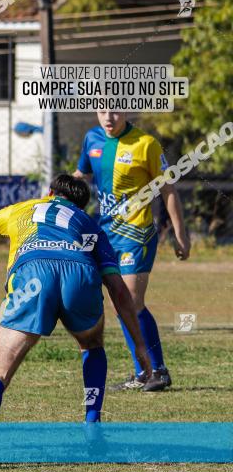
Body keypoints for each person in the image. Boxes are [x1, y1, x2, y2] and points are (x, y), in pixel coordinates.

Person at [0, 174, 150, 463]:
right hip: (79, 271)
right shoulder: (89, 223)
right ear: (81, 204)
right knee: (91, 345)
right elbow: (118, 288)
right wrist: (140, 346)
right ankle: (92, 425)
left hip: (32, 273)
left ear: (50, 192)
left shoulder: (22, 208)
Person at [74, 111, 190, 391]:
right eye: (102, 111)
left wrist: (180, 234)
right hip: (106, 234)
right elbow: (81, 174)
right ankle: (143, 373)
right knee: (119, 304)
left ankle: (157, 371)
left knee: (131, 301)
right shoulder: (92, 139)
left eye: (114, 110)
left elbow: (168, 190)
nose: (108, 117)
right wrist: (57, 190)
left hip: (137, 233)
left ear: (125, 111)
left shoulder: (146, 143)